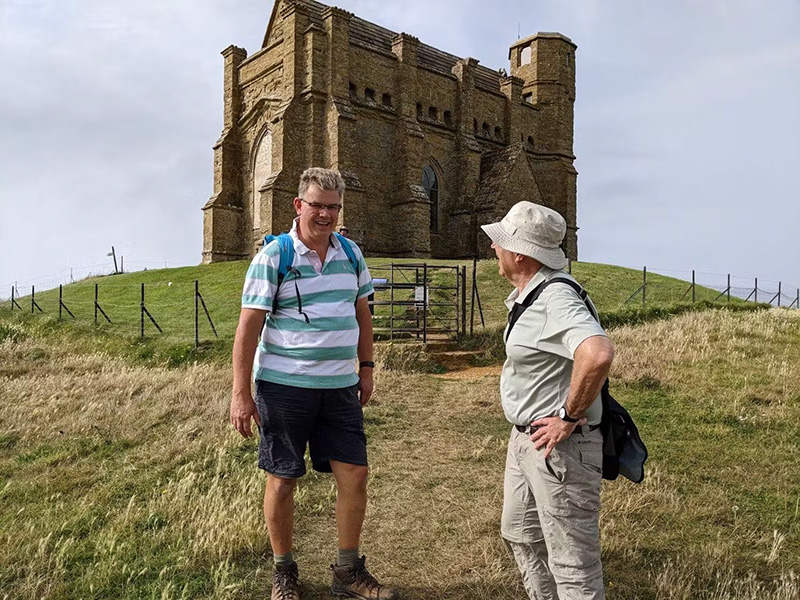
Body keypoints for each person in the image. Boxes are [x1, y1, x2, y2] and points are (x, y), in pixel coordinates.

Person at [230, 168, 397, 600]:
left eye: (332, 207)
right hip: (285, 388)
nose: (324, 214)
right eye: (317, 205)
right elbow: (248, 327)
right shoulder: (274, 257)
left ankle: (348, 572)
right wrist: (241, 392)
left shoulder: (351, 253)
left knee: (355, 474)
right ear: (298, 205)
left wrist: (366, 367)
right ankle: (284, 572)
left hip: (340, 387)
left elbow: (362, 312)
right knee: (282, 479)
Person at [481, 201, 615, 600]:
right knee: (520, 535)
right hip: (527, 441)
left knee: (573, 565)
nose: (493, 249)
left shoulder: (555, 297)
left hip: (561, 448)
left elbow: (598, 353)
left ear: (520, 253)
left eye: (501, 242)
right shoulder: (531, 294)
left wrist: (567, 416)